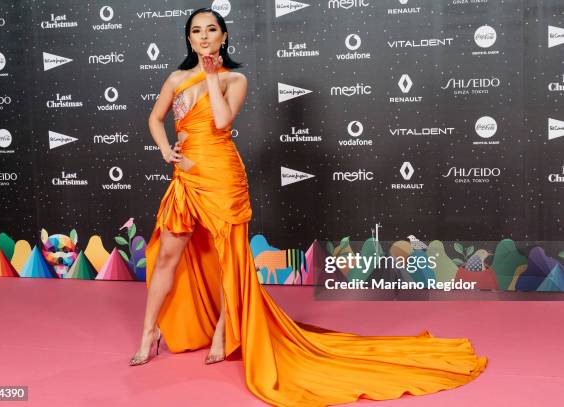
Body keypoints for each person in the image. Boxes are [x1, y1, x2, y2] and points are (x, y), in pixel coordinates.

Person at [129, 8, 488, 406]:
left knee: (230, 258)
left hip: (223, 177)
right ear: (189, 38)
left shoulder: (235, 79)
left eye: (211, 30)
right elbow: (155, 117)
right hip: (186, 178)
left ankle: (224, 328)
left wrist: (213, 76)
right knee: (168, 257)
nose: (203, 37)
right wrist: (166, 149)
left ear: (224, 36)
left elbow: (221, 121)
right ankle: (150, 332)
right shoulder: (176, 78)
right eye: (196, 31)